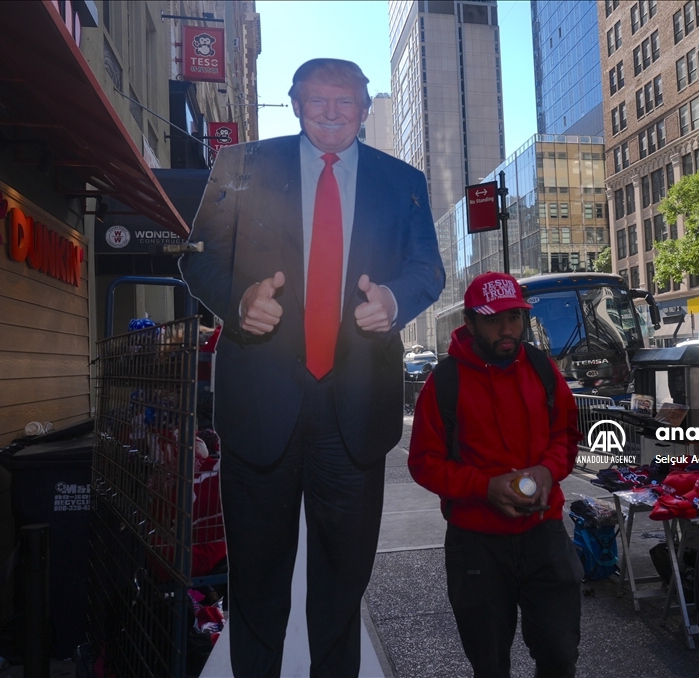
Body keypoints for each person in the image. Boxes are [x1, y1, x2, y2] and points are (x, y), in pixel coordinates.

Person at [179, 58, 444, 677]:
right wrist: (239, 302)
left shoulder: (402, 180)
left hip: (354, 410)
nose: (330, 112)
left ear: (365, 108)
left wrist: (395, 300)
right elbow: (198, 260)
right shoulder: (241, 166)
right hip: (261, 406)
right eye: (317, 100)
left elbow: (427, 270)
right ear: (294, 103)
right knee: (257, 581)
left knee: (341, 583)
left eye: (344, 101)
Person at [408, 272, 583, 678]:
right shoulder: (443, 383)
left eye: (515, 318)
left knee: (560, 656)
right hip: (477, 546)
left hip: (545, 535)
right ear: (469, 323)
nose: (508, 330)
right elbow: (423, 462)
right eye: (494, 320)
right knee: (489, 665)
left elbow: (567, 435)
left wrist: (546, 469)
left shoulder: (542, 368)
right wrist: (484, 488)